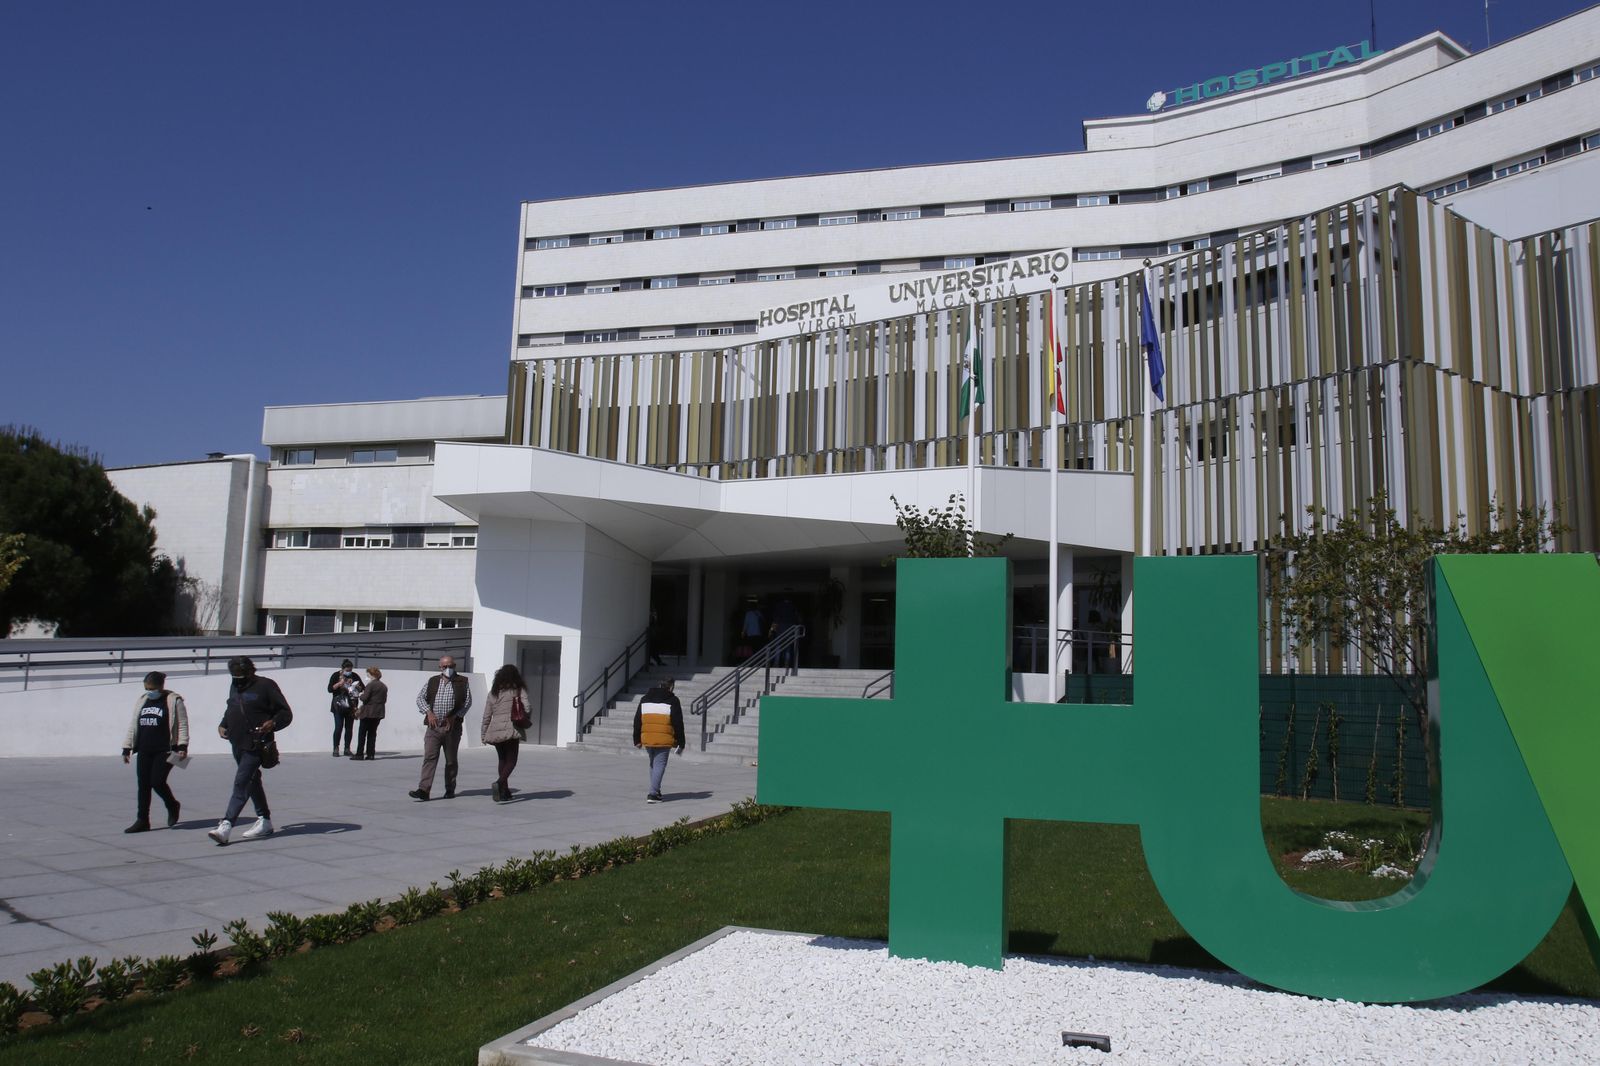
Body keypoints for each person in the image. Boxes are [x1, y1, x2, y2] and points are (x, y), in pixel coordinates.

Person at [210, 656, 293, 846]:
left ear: (250, 671)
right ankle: (264, 820)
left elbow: (285, 713)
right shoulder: (235, 685)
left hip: (257, 743)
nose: (238, 679)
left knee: (241, 781)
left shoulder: (266, 686)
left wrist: (272, 723)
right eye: (234, 676)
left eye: (241, 675)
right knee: (251, 780)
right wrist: (223, 724)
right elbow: (232, 705)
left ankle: (226, 825)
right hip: (237, 741)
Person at [120, 671, 189, 833]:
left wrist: (182, 746)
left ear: (160, 686)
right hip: (144, 749)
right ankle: (142, 820)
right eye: (146, 688)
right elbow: (134, 725)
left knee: (157, 781)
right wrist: (127, 747)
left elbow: (183, 724)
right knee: (143, 784)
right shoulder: (143, 700)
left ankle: (172, 804)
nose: (149, 691)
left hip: (166, 750)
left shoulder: (173, 701)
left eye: (152, 688)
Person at [410, 655, 471, 801]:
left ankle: (450, 788)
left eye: (450, 666)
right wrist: (428, 712)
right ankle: (424, 789)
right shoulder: (433, 681)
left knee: (450, 760)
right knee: (429, 757)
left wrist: (455, 716)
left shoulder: (462, 681)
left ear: (455, 666)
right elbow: (420, 698)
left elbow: (467, 702)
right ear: (440, 667)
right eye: (444, 666)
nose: (448, 669)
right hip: (434, 726)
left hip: (451, 727)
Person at [632, 676, 684, 803]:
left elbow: (637, 720)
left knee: (653, 764)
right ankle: (653, 794)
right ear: (671, 686)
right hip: (663, 737)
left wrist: (636, 739)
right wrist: (681, 741)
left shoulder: (645, 699)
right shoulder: (673, 700)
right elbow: (678, 722)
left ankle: (656, 790)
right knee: (659, 764)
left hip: (648, 737)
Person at [481, 664, 528, 803]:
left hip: (495, 730)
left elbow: (486, 715)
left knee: (502, 759)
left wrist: (483, 734)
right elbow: (527, 706)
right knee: (512, 760)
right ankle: (500, 782)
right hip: (511, 728)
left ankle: (504, 792)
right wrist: (526, 716)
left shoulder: (493, 693)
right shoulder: (517, 690)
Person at [327, 659, 364, 757]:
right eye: (347, 670)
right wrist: (340, 684)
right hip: (338, 706)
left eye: (350, 670)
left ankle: (347, 748)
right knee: (338, 727)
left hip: (351, 706)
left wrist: (355, 686)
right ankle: (336, 748)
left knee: (349, 728)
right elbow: (330, 689)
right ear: (342, 669)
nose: (349, 672)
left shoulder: (355, 676)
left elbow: (362, 688)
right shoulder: (335, 675)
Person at [351, 665, 386, 760]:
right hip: (378, 712)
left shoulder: (371, 685)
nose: (367, 676)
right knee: (372, 734)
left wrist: (359, 694)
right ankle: (371, 754)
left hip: (368, 712)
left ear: (372, 675)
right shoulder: (383, 686)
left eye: (368, 674)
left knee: (362, 733)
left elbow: (364, 698)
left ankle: (359, 754)